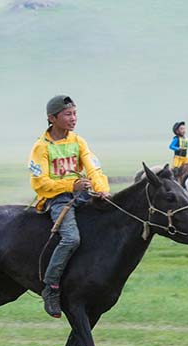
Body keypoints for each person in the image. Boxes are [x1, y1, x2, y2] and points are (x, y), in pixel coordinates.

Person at [29, 95, 110, 318]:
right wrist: (71, 184)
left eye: (74, 113)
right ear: (52, 118)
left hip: (83, 194)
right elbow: (39, 183)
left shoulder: (78, 141)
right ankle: (51, 287)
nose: (73, 118)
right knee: (71, 238)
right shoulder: (41, 147)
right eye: (68, 114)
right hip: (57, 199)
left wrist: (101, 188)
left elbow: (94, 169)